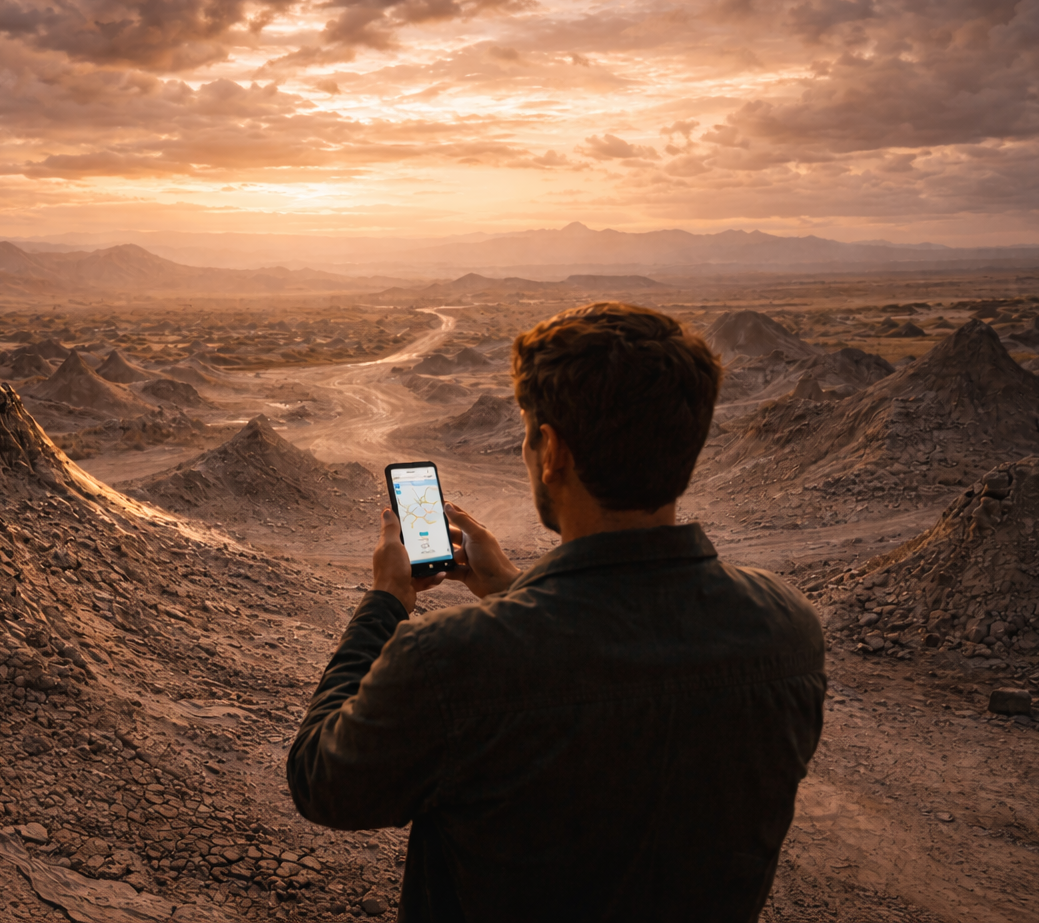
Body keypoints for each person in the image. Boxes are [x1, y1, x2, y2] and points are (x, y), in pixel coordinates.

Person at [286, 303, 825, 922]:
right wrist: (512, 587)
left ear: (553, 451)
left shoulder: (450, 661)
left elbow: (321, 782)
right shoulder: (787, 630)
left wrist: (386, 602)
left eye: (527, 434)